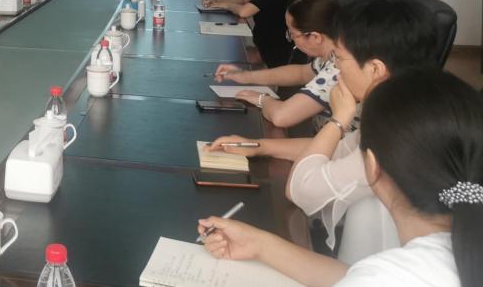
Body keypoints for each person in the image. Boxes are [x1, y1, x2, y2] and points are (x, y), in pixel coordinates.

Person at [206, 0, 438, 261]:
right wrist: (259, 146)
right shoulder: (403, 109)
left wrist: (339, 119)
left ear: (375, 69)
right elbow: (339, 151)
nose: (335, 67)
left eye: (340, 58)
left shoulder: (397, 136)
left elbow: (299, 189)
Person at [197, 72, 481, 287]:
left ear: (371, 165)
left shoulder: (391, 276)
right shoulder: (452, 250)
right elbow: (355, 275)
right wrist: (260, 245)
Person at [214, 0, 345, 129]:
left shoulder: (337, 69)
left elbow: (281, 117)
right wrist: (245, 76)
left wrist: (262, 99)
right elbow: (301, 73)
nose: (291, 38)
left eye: (292, 34)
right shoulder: (333, 53)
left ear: (315, 37)